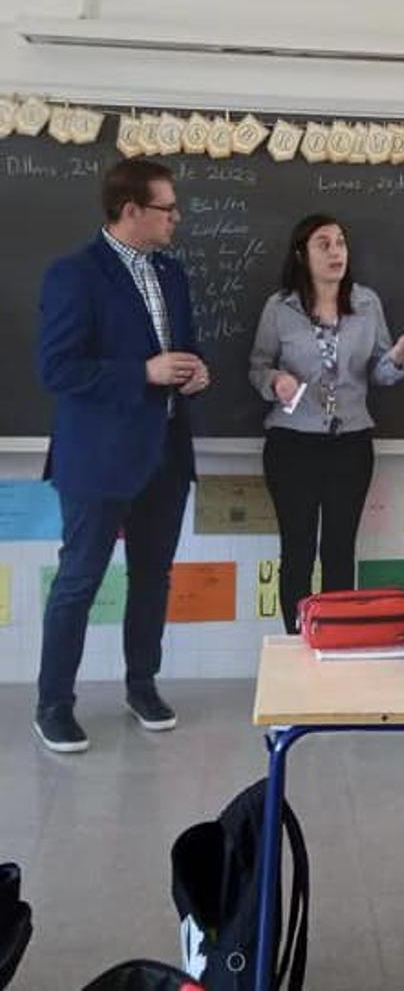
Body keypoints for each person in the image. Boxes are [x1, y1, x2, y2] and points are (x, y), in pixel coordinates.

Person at [36, 157, 210, 753]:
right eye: (167, 208)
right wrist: (142, 372)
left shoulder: (172, 273)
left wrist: (193, 372)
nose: (177, 217)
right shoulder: (75, 275)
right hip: (98, 457)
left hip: (166, 452)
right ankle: (54, 705)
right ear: (130, 210)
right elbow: (58, 369)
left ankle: (142, 686)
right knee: (79, 580)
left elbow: (182, 350)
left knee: (153, 577)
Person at [249, 214, 404, 633]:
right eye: (324, 244)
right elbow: (257, 366)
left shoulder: (366, 303)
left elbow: (380, 373)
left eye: (340, 243)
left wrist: (398, 356)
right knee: (297, 551)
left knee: (339, 550)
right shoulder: (280, 307)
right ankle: (297, 642)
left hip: (350, 444)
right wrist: (275, 381)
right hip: (292, 443)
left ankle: (335, 640)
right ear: (303, 254)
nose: (336, 252)